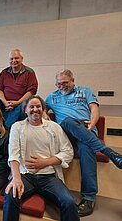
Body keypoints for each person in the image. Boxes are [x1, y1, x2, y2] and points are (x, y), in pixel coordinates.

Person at [45, 69, 122, 217]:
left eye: (65, 83)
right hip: (66, 131)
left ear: (73, 81)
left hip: (85, 129)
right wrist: (45, 117)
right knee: (67, 121)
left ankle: (89, 198)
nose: (62, 86)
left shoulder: (85, 91)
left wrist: (92, 125)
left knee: (87, 149)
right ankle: (109, 153)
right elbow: (42, 109)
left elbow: (94, 109)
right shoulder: (51, 97)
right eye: (59, 84)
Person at [3, 95, 79, 221]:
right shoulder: (17, 127)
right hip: (25, 176)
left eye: (38, 106)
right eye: (31, 106)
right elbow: (13, 154)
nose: (35, 109)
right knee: (11, 196)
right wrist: (16, 179)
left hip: (48, 177)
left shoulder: (54, 127)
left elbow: (68, 152)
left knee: (69, 202)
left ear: (43, 109)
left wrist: (45, 162)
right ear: (25, 110)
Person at [0, 49, 38, 129]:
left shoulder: (29, 72)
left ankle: (5, 127)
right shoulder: (4, 72)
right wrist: (5, 102)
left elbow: (32, 91)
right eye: (11, 59)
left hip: (21, 102)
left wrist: (18, 102)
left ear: (21, 59)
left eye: (16, 58)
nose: (14, 60)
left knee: (23, 106)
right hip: (5, 102)